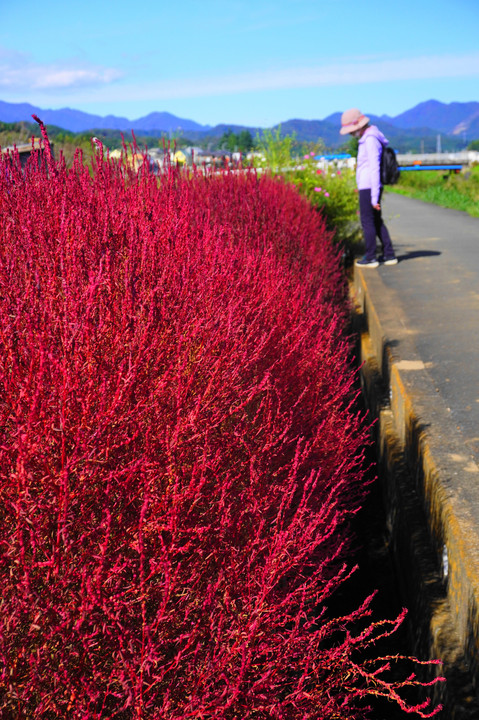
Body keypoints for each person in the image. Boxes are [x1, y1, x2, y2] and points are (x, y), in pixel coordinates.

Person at [340, 108, 398, 267]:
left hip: (370, 187)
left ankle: (371, 257)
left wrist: (374, 196)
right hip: (370, 186)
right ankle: (389, 254)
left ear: (358, 126)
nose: (351, 134)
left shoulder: (370, 139)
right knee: (376, 220)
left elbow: (374, 167)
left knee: (367, 221)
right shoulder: (369, 137)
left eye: (351, 131)